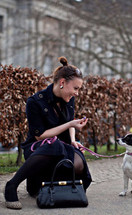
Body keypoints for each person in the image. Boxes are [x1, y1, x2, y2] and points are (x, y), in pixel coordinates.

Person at [4, 56, 92, 209]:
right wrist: (70, 124)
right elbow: (40, 135)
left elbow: (70, 121)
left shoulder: (69, 98)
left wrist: (72, 139)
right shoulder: (35, 102)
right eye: (76, 88)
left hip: (63, 145)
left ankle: (43, 184)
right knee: (54, 146)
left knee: (79, 163)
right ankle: (11, 185)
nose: (77, 93)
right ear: (62, 83)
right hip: (38, 147)